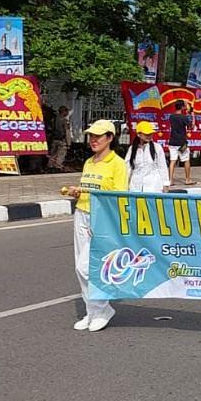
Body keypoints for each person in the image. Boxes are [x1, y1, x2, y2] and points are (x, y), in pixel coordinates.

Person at [66, 120, 129, 332]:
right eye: (91, 136)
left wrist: (107, 223)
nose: (93, 140)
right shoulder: (89, 162)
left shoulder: (118, 164)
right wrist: (78, 191)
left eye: (98, 136)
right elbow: (88, 188)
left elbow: (120, 196)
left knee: (86, 267)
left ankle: (103, 309)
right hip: (82, 213)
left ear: (110, 138)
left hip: (101, 218)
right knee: (79, 266)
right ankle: (91, 311)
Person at [126, 121, 169, 192]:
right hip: (136, 187)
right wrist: (125, 185)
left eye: (150, 134)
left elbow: (162, 167)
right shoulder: (132, 149)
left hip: (154, 187)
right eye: (146, 134)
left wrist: (166, 184)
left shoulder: (157, 147)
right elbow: (128, 168)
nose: (149, 136)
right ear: (139, 134)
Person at [168, 100, 196, 186]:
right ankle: (187, 180)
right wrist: (192, 116)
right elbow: (191, 127)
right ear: (182, 107)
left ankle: (170, 181)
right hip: (182, 143)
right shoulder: (183, 117)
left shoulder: (171, 116)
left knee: (172, 161)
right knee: (186, 160)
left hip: (172, 142)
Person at [47, 106, 72, 171]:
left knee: (53, 154)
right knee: (61, 154)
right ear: (64, 112)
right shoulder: (65, 121)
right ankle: (57, 166)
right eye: (67, 111)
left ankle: (50, 166)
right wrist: (68, 143)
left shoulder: (53, 120)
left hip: (54, 139)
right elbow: (67, 132)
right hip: (62, 140)